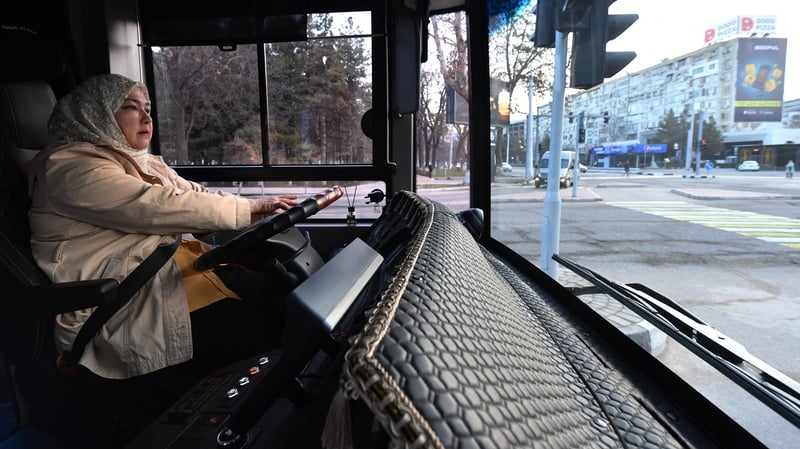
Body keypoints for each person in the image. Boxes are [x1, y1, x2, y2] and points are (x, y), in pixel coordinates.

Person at [27, 73, 300, 387]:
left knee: (286, 297)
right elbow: (154, 205)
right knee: (264, 327)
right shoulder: (68, 168)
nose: (146, 117)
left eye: (148, 109)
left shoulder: (141, 161)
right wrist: (249, 209)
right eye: (132, 107)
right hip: (125, 306)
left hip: (173, 279)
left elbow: (194, 195)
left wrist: (257, 207)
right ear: (96, 114)